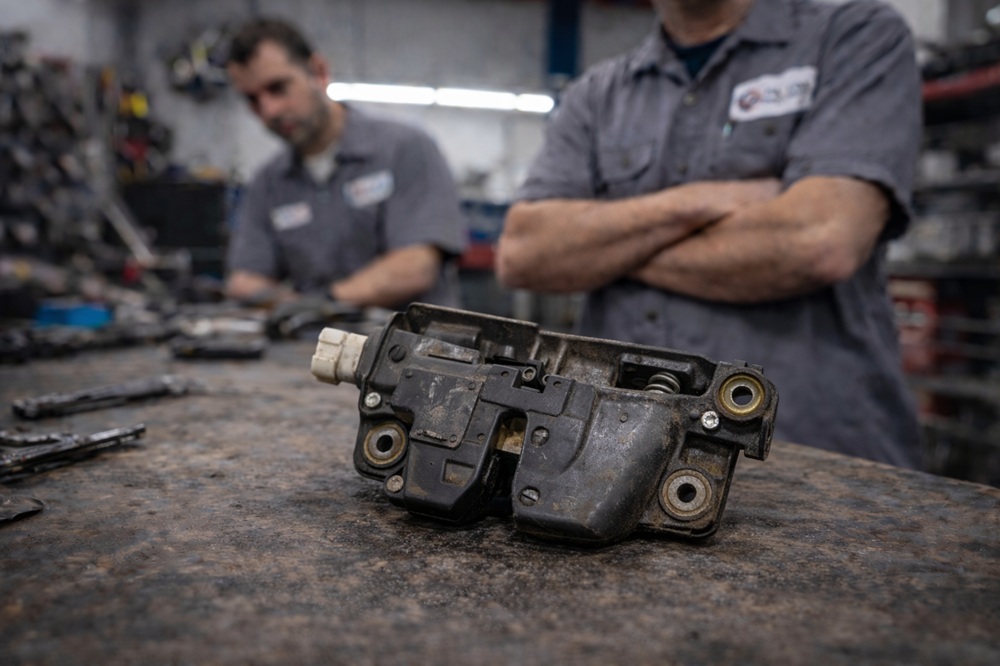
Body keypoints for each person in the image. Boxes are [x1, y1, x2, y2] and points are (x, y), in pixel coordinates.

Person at [496, 0, 923, 468]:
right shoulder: (597, 93)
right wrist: (702, 202)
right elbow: (524, 253)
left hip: (810, 456)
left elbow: (820, 240)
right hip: (611, 453)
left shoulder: (852, 36)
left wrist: (605, 248)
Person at [224, 18, 466, 308]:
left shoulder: (405, 149)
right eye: (253, 100)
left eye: (278, 88)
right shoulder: (268, 183)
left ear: (319, 72)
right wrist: (294, 306)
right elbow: (245, 279)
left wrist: (321, 305)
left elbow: (415, 267)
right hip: (315, 348)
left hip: (410, 347)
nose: (269, 110)